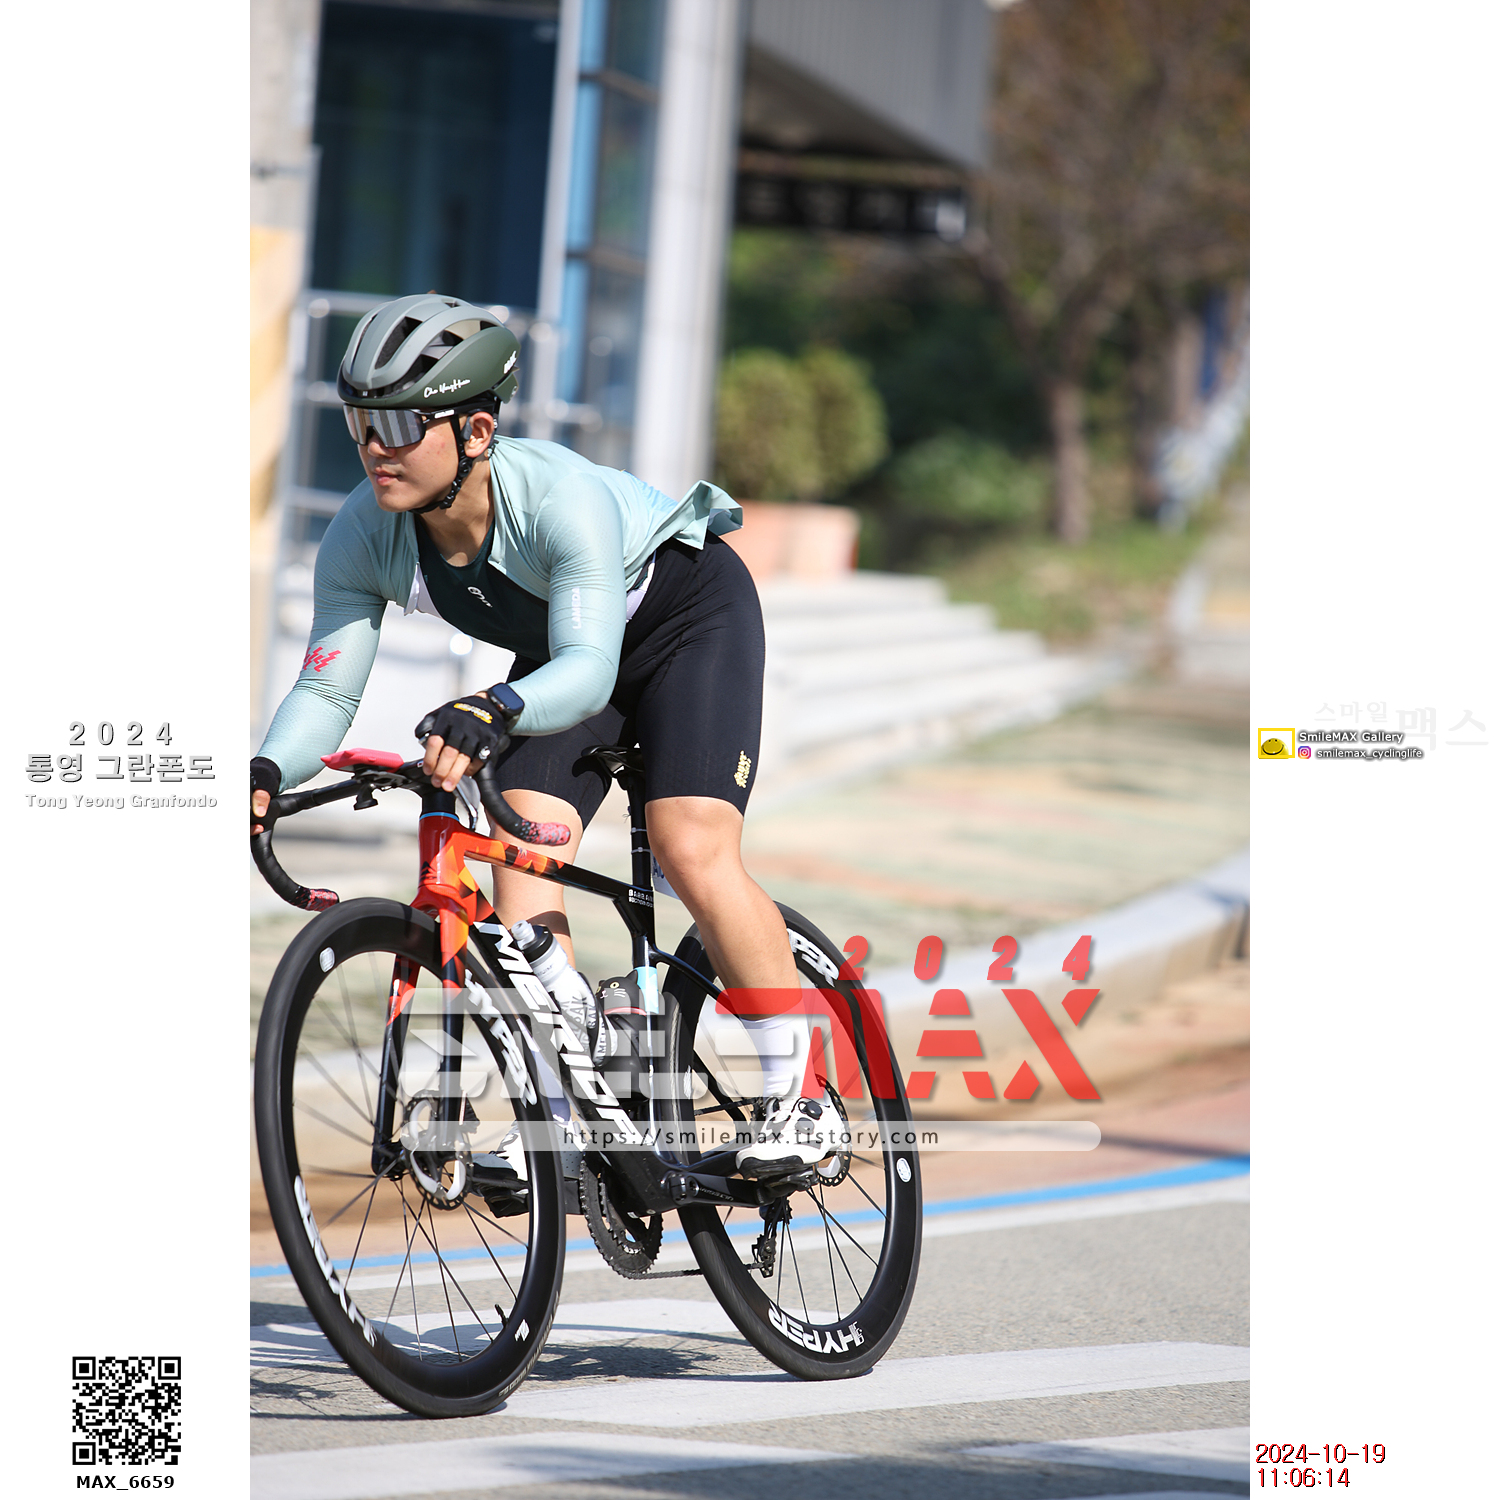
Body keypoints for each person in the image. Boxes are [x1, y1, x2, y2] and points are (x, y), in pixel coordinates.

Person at [250, 293, 836, 1176]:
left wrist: (494, 708)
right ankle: (569, 1114)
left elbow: (591, 670)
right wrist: (266, 772)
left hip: (685, 624)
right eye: (359, 422)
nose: (375, 447)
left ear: (477, 430)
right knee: (519, 851)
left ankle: (803, 1100)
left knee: (690, 845)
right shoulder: (364, 532)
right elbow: (327, 689)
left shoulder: (557, 498)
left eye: (400, 423)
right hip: (564, 654)